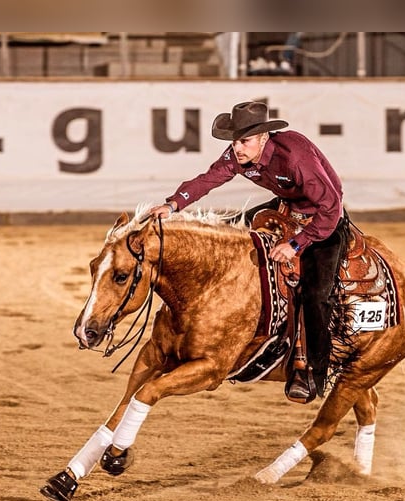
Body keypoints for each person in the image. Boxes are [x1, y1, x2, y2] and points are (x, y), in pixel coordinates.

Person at [148, 101, 349, 402]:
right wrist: (173, 204)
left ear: (264, 138)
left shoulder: (294, 157)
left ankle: (313, 374)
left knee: (316, 294)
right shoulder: (238, 156)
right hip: (285, 210)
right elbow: (209, 179)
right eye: (234, 141)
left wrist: (295, 245)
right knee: (227, 231)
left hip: (322, 222)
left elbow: (331, 208)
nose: (237, 148)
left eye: (244, 141)